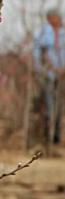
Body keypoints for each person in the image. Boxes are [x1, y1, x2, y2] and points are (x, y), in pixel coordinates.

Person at [33, 8, 65, 145]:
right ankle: (48, 135)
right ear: (50, 18)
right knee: (49, 104)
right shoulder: (42, 34)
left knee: (59, 105)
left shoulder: (63, 33)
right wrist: (44, 70)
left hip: (62, 74)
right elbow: (38, 54)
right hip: (48, 74)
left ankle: (56, 134)